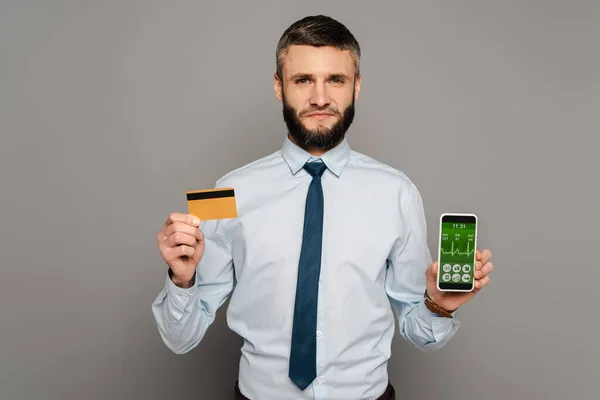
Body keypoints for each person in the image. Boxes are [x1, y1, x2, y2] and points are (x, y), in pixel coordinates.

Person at [152, 15, 494, 400]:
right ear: (279, 87)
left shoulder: (398, 192)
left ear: (357, 87)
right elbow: (180, 339)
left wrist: (439, 306)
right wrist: (182, 280)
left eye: (336, 79)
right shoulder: (224, 191)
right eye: (303, 80)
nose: (319, 98)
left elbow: (422, 334)